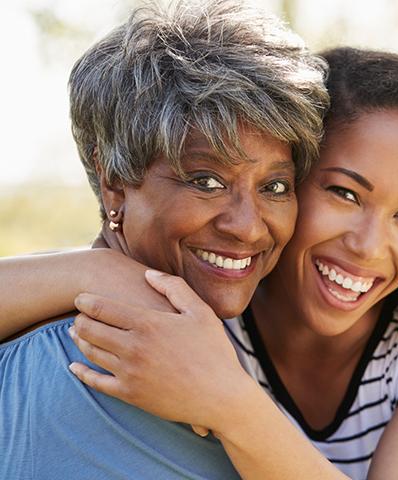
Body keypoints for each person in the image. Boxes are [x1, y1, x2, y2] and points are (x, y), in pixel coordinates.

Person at [1, 45, 398, 479]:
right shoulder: (221, 283)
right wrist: (99, 272)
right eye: (344, 193)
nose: (370, 246)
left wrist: (227, 400)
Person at [0, 0, 329, 478]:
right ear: (114, 180)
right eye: (205, 181)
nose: (249, 226)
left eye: (275, 187)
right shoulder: (98, 368)